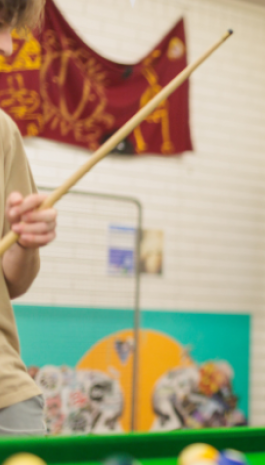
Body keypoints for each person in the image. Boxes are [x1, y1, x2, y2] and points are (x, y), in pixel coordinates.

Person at [0, 0, 58, 436]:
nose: (6, 47)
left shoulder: (2, 132)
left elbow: (13, 282)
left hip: (6, 396)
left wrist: (25, 241)